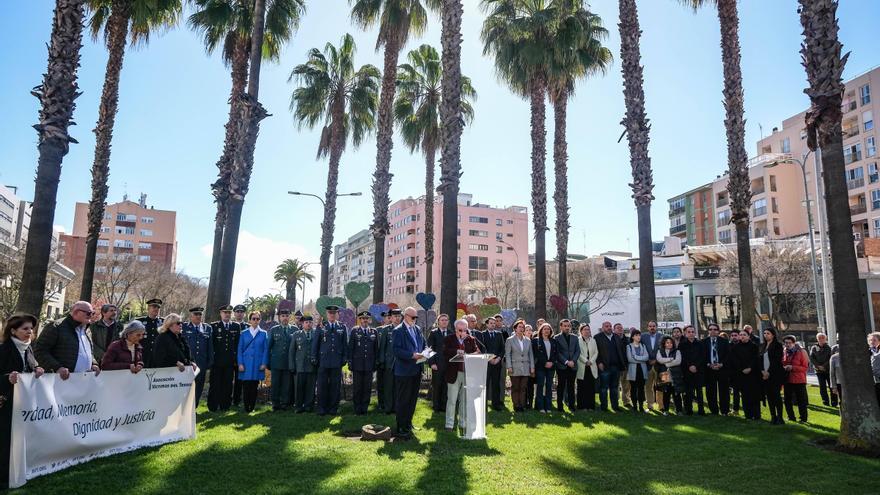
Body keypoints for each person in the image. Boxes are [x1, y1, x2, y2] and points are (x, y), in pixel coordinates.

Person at [0, 314, 45, 490]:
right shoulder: (3, 350)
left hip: (22, 405)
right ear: (13, 331)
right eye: (25, 329)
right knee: (4, 440)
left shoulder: (28, 349)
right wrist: (6, 379)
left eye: (31, 329)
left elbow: (31, 366)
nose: (30, 332)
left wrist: (38, 369)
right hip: (5, 404)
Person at [33, 301, 101, 378]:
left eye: (93, 313)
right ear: (76, 312)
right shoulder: (56, 327)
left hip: (84, 380)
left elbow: (89, 352)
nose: (91, 316)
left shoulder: (87, 330)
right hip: (60, 380)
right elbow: (40, 351)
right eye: (88, 313)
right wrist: (57, 368)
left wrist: (93, 363)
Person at [392, 307, 425, 439]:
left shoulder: (417, 329)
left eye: (416, 318)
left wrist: (426, 353)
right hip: (404, 371)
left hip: (416, 369)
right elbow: (396, 350)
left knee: (412, 399)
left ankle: (408, 423)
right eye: (413, 317)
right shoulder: (398, 331)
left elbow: (422, 344)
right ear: (405, 316)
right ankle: (400, 426)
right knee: (403, 400)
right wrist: (412, 355)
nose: (415, 320)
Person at [443, 318, 480, 430]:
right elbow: (444, 352)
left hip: (467, 373)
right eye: (460, 330)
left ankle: (462, 423)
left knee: (464, 400)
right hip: (453, 373)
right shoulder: (449, 338)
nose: (463, 332)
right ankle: (449, 424)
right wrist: (456, 351)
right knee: (452, 400)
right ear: (455, 329)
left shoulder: (471, 339)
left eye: (465, 330)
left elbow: (477, 351)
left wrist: (469, 354)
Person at [312, 305, 347, 416]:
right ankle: (321, 408)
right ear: (327, 314)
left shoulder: (342, 327)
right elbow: (315, 344)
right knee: (322, 386)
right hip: (323, 361)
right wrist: (314, 357)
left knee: (335, 386)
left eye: (334, 313)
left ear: (337, 314)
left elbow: (344, 345)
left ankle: (333, 408)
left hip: (336, 361)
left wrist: (344, 358)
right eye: (330, 313)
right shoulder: (321, 326)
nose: (332, 315)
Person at [208, 305, 240, 412]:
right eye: (225, 312)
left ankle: (225, 406)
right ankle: (213, 406)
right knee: (215, 384)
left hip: (230, 361)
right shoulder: (214, 326)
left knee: (227, 384)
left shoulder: (236, 326)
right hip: (217, 361)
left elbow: (237, 344)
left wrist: (236, 360)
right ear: (220, 314)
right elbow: (211, 344)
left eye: (229, 312)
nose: (227, 314)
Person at [236, 311, 269, 413]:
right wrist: (240, 363)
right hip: (245, 364)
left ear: (260, 320)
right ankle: (246, 407)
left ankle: (252, 407)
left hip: (257, 364)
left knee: (254, 386)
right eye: (253, 318)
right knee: (246, 386)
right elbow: (240, 349)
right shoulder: (244, 333)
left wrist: (264, 363)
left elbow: (266, 350)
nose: (255, 320)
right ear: (249, 320)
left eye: (257, 319)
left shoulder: (263, 333)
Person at [182, 306, 213, 407]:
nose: (198, 316)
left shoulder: (207, 328)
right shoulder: (184, 327)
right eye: (196, 314)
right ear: (191, 316)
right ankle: (184, 408)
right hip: (188, 364)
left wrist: (210, 362)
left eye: (200, 314)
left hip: (201, 363)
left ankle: (194, 407)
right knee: (187, 386)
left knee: (199, 386)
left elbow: (210, 347)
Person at [348, 311, 379, 415]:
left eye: (366, 318)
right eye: (362, 318)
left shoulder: (373, 332)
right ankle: (357, 408)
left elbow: (376, 350)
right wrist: (350, 362)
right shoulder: (354, 331)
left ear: (369, 320)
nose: (365, 320)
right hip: (358, 365)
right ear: (360, 320)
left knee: (367, 388)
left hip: (369, 365)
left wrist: (375, 363)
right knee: (357, 388)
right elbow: (351, 348)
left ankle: (364, 408)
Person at [728, 329, 761, 420]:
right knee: (745, 396)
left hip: (752, 374)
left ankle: (757, 414)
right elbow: (734, 360)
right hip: (740, 374)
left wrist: (750, 368)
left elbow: (756, 359)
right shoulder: (735, 347)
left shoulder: (754, 346)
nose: (742, 336)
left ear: (748, 336)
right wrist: (742, 369)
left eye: (744, 335)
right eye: (741, 335)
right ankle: (748, 415)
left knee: (754, 395)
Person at [267, 309, 295, 411]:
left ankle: (284, 403)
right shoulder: (274, 329)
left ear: (289, 317)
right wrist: (268, 362)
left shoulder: (294, 329)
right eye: (283, 316)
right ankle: (275, 404)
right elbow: (268, 347)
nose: (285, 318)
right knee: (275, 384)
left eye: (287, 316)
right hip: (276, 362)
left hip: (288, 363)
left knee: (286, 385)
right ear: (279, 317)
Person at [595, 321, 626, 411]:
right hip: (604, 367)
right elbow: (595, 352)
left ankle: (615, 406)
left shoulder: (616, 337)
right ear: (602, 328)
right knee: (604, 388)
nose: (609, 328)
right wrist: (599, 362)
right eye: (606, 326)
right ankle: (604, 407)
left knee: (614, 388)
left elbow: (621, 351)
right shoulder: (597, 337)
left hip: (616, 367)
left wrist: (622, 365)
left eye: (610, 326)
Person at [290, 314, 318, 413]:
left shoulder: (316, 334)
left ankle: (308, 406)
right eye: (306, 322)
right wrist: (292, 366)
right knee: (299, 388)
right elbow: (292, 352)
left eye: (310, 322)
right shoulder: (296, 334)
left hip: (312, 366)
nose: (308, 324)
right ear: (302, 324)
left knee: (310, 388)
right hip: (300, 366)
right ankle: (298, 406)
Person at [505, 320, 534, 412]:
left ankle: (522, 405)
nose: (522, 329)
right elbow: (508, 354)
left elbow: (531, 355)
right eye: (520, 327)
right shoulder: (509, 340)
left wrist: (532, 367)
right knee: (515, 387)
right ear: (515, 329)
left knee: (523, 388)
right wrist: (509, 366)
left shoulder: (528, 340)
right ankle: (516, 405)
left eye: (523, 327)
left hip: (526, 367)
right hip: (514, 367)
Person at [427, 314, 454, 412]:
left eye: (446, 320)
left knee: (446, 386)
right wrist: (432, 363)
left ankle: (444, 406)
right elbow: (429, 349)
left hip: (448, 365)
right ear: (438, 322)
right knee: (437, 386)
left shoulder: (451, 333)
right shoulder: (433, 333)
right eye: (442, 320)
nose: (444, 322)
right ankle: (436, 406)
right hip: (437, 364)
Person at [702, 323, 730, 415]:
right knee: (710, 391)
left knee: (724, 391)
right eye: (710, 329)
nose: (713, 331)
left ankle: (724, 411)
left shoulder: (724, 341)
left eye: (715, 329)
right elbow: (702, 356)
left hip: (722, 369)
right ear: (708, 331)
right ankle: (714, 410)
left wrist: (721, 364)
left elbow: (728, 355)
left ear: (718, 331)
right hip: (709, 369)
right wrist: (709, 364)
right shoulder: (703, 342)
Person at [678, 325, 705, 415]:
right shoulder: (682, 344)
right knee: (688, 391)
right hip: (687, 370)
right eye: (689, 332)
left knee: (699, 391)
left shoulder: (700, 343)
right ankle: (689, 410)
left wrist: (695, 366)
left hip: (698, 370)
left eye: (693, 332)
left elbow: (702, 356)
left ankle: (701, 410)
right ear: (685, 333)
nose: (691, 333)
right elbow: (682, 357)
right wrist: (690, 366)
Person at [761, 327, 786, 425]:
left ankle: (780, 417)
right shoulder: (762, 346)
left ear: (773, 335)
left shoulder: (778, 346)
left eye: (768, 333)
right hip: (764, 375)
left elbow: (776, 360)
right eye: (764, 333)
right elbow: (759, 360)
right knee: (769, 397)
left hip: (775, 375)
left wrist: (769, 372)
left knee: (776, 396)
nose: (766, 335)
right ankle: (773, 416)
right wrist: (762, 371)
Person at [782, 335, 810, 423]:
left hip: (799, 380)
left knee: (801, 400)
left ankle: (803, 418)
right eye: (786, 343)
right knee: (787, 400)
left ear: (794, 343)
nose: (787, 345)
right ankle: (791, 417)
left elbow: (805, 367)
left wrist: (793, 367)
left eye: (789, 343)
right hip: (787, 379)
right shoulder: (784, 351)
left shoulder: (801, 352)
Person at [554, 319, 580, 413]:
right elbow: (557, 352)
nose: (567, 327)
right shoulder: (556, 338)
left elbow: (578, 351)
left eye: (568, 326)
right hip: (562, 366)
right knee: (561, 387)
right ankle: (560, 407)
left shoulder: (575, 337)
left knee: (571, 387)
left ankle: (572, 406)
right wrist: (566, 362)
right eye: (565, 326)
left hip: (573, 366)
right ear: (561, 327)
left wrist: (573, 361)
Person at [482, 316, 506, 411]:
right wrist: (489, 358)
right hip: (486, 363)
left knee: (496, 384)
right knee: (485, 384)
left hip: (497, 363)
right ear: (487, 324)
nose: (493, 324)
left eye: (494, 323)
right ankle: (483, 404)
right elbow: (482, 348)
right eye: (491, 323)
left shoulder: (499, 334)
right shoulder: (482, 334)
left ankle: (496, 404)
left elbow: (502, 348)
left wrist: (498, 358)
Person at [655, 336, 683, 415]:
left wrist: (666, 363)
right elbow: (660, 360)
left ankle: (679, 410)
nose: (669, 344)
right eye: (667, 342)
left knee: (676, 393)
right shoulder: (660, 351)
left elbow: (678, 361)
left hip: (675, 375)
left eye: (671, 342)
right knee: (666, 393)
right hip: (664, 374)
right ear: (664, 343)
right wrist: (670, 359)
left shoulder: (677, 351)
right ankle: (666, 410)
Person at [533, 323, 557, 413]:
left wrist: (551, 362)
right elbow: (537, 354)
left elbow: (555, 354)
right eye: (544, 329)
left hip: (551, 367)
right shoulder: (536, 341)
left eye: (548, 329)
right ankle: (540, 407)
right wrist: (545, 362)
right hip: (540, 367)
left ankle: (548, 406)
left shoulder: (553, 341)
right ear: (541, 330)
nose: (546, 331)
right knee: (540, 386)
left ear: (550, 331)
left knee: (549, 386)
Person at [376, 311, 397, 414]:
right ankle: (386, 406)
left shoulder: (401, 329)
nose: (389, 318)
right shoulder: (383, 330)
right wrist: (381, 361)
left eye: (390, 317)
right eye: (387, 317)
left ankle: (396, 407)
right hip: (387, 363)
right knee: (386, 387)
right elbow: (381, 348)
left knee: (397, 387)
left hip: (399, 363)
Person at [809, 333, 836, 407]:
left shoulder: (829, 348)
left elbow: (830, 358)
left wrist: (824, 366)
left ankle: (834, 401)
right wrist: (818, 366)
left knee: (831, 386)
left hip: (828, 370)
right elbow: (812, 358)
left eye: (822, 338)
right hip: (819, 371)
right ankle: (825, 401)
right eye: (819, 338)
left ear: (825, 339)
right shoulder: (814, 348)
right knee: (822, 387)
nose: (821, 339)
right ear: (817, 339)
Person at [576, 323, 598, 411]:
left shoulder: (593, 340)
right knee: (582, 387)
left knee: (591, 387)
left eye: (588, 329)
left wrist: (591, 361)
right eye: (585, 329)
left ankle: (591, 406)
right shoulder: (577, 340)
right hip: (582, 366)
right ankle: (582, 406)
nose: (587, 331)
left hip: (591, 366)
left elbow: (596, 352)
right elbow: (578, 353)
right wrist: (586, 361)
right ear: (581, 331)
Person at [626, 329, 649, 412]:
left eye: (639, 335)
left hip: (642, 370)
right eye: (636, 335)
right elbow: (630, 359)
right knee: (633, 388)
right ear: (632, 337)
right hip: (633, 370)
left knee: (641, 389)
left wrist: (636, 357)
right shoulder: (629, 346)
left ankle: (641, 406)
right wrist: (641, 359)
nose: (639, 337)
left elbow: (646, 357)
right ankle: (635, 406)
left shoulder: (643, 346)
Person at [136, 298, 164, 367]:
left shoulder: (163, 322)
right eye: (154, 307)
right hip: (142, 355)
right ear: (148, 308)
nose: (156, 309)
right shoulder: (139, 321)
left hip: (158, 356)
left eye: (158, 307)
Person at [642, 321, 663, 411]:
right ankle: (650, 405)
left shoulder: (662, 336)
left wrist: (656, 360)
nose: (652, 328)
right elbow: (641, 349)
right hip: (647, 365)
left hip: (659, 365)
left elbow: (663, 350)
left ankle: (661, 406)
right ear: (647, 327)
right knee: (648, 386)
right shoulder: (643, 336)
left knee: (660, 386)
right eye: (650, 326)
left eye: (654, 326)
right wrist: (648, 360)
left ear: (656, 327)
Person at [230, 304, 247, 407]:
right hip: (231, 357)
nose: (239, 314)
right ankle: (226, 400)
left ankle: (237, 401)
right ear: (234, 313)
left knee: (240, 380)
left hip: (243, 359)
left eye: (241, 312)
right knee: (227, 380)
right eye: (237, 312)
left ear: (244, 314)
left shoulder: (248, 327)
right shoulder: (230, 325)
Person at [614, 323, 632, 408]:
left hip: (626, 365)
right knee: (615, 384)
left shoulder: (628, 339)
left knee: (626, 385)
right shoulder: (612, 339)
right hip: (616, 366)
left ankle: (626, 401)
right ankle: (615, 401)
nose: (620, 329)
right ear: (614, 330)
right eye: (618, 328)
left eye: (621, 328)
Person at [728, 328, 742, 415]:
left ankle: (738, 409)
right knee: (731, 392)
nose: (734, 337)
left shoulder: (742, 345)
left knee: (739, 392)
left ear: (739, 336)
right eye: (732, 336)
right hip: (730, 372)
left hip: (740, 372)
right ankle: (733, 409)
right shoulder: (728, 345)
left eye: (735, 335)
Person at [871, 333, 880, 406]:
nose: (872, 342)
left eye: (874, 340)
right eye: (871, 340)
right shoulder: (870, 351)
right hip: (874, 381)